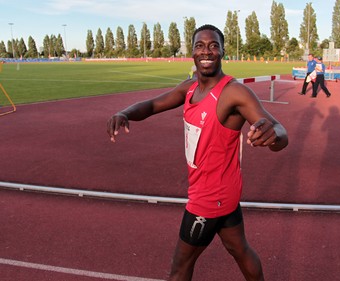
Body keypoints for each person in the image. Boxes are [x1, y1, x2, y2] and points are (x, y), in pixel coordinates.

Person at [107, 24, 288, 281]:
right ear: (192, 52)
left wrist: (273, 136)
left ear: (223, 51)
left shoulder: (233, 92)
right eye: (200, 46)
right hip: (223, 191)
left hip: (208, 197)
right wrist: (125, 113)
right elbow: (153, 104)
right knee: (238, 248)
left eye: (214, 45)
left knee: (180, 267)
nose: (207, 51)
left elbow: (281, 132)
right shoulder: (190, 88)